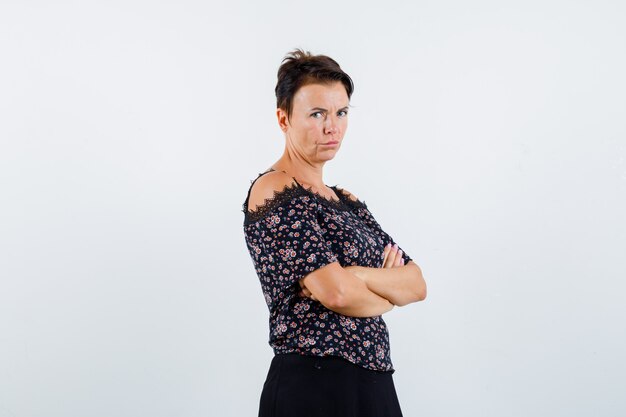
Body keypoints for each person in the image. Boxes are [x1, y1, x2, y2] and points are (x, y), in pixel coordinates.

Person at [242, 48, 427, 417]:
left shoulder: (348, 201)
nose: (333, 127)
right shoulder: (274, 188)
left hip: (373, 382)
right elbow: (337, 293)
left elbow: (416, 283)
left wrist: (358, 275)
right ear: (283, 118)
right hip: (314, 383)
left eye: (341, 112)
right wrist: (386, 294)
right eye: (317, 114)